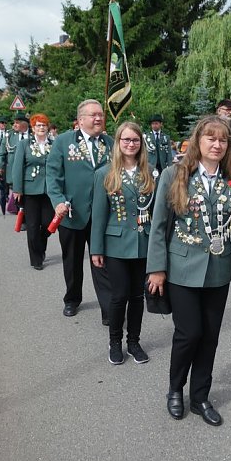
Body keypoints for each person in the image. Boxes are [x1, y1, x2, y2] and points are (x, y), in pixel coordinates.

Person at [147, 116, 231, 427]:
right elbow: (159, 227)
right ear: (199, 141)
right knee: (188, 333)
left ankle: (200, 397)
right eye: (211, 138)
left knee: (209, 337)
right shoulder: (175, 175)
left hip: (218, 271)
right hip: (181, 267)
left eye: (223, 140)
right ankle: (175, 390)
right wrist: (156, 269)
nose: (217, 144)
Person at [91, 122, 157, 365]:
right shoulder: (105, 173)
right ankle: (115, 341)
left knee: (138, 297)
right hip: (116, 245)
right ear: (118, 143)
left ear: (141, 144)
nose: (131, 144)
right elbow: (98, 215)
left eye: (135, 140)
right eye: (126, 140)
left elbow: (157, 212)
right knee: (118, 296)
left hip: (143, 242)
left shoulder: (150, 172)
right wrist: (96, 248)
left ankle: (134, 342)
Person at [47, 100, 113, 324]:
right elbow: (53, 175)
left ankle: (108, 308)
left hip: (103, 216)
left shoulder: (110, 143)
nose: (98, 119)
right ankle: (72, 299)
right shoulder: (63, 142)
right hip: (73, 214)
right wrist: (57, 201)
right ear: (81, 119)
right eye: (93, 115)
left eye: (101, 115)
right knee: (72, 261)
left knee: (102, 262)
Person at [11, 114, 54, 270]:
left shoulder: (54, 144)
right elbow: (17, 167)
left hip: (49, 190)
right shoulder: (25, 144)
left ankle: (40, 246)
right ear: (33, 128)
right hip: (30, 190)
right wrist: (17, 189)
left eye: (44, 125)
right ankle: (36, 259)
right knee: (33, 225)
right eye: (38, 125)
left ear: (48, 127)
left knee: (48, 224)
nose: (41, 128)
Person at [0, 114, 30, 199]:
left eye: (17, 123)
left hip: (30, 170)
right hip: (14, 169)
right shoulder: (10, 135)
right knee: (16, 195)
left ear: (24, 124)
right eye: (14, 123)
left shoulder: (33, 135)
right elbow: (2, 151)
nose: (14, 125)